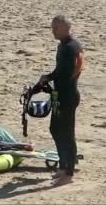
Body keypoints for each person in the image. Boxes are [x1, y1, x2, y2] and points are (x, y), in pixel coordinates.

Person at [38, 15, 84, 186]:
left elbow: (64, 73)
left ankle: (69, 172)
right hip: (59, 94)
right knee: (55, 129)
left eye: (56, 27)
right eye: (52, 27)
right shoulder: (63, 46)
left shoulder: (72, 47)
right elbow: (59, 70)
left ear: (67, 27)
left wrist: (47, 77)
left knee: (66, 132)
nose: (53, 31)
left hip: (68, 96)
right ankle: (63, 166)